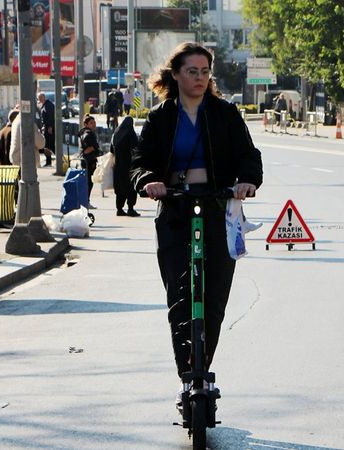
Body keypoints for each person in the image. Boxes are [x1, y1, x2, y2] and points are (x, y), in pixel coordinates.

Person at [129, 42, 263, 402]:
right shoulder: (160, 118)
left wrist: (248, 181)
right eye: (192, 71)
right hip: (175, 209)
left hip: (218, 207)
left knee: (214, 296)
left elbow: (250, 156)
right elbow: (139, 160)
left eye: (205, 72)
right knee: (180, 298)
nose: (200, 78)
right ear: (176, 74)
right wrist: (148, 182)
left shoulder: (226, 114)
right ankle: (187, 374)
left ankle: (204, 369)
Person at [110, 116, 139, 217]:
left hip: (118, 165)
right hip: (129, 165)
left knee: (120, 188)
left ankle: (119, 209)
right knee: (131, 187)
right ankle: (130, 208)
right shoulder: (130, 133)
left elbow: (111, 150)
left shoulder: (116, 133)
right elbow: (136, 146)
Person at [78, 115, 100, 208]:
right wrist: (93, 148)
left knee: (88, 181)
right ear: (86, 124)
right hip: (89, 160)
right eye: (91, 123)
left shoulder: (83, 132)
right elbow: (88, 147)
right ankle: (85, 201)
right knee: (89, 182)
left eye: (94, 122)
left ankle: (85, 201)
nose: (94, 124)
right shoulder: (88, 133)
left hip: (87, 160)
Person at [37, 92, 55, 166]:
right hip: (46, 127)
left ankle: (51, 161)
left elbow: (51, 116)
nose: (39, 99)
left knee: (49, 145)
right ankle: (49, 161)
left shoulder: (48, 105)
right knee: (48, 145)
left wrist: (50, 127)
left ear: (43, 97)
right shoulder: (45, 105)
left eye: (40, 98)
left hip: (49, 128)